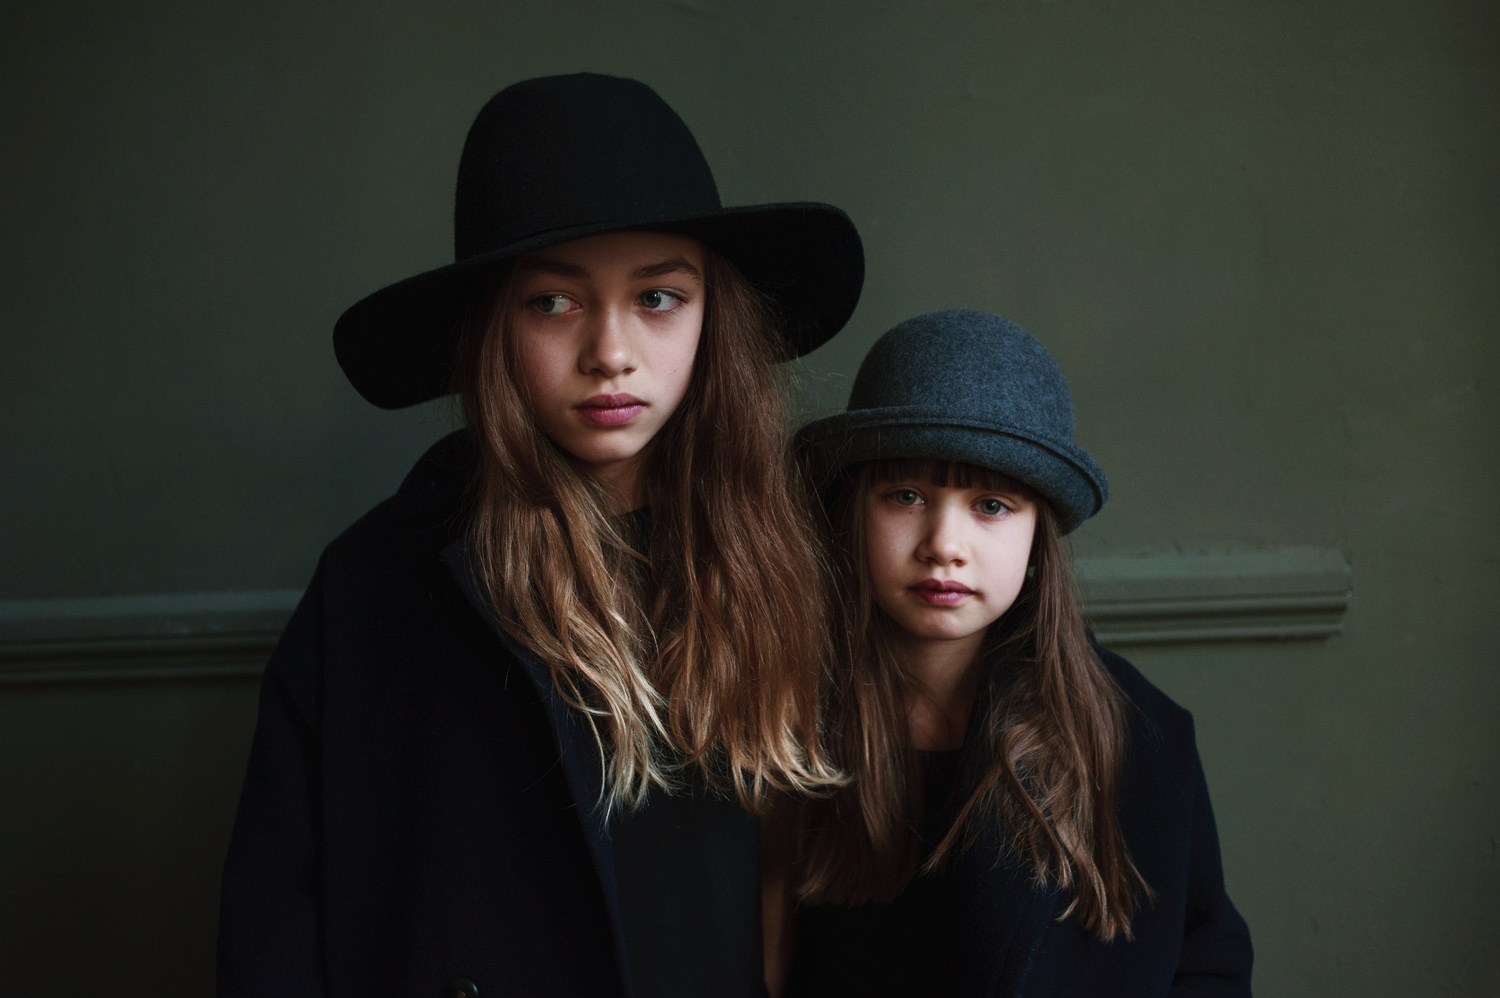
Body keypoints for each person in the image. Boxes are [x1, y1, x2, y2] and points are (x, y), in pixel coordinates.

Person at [217, 73, 864, 998]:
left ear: (714, 315)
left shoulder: (788, 564)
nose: (611, 353)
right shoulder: (377, 589)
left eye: (659, 297)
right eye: (553, 303)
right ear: (492, 322)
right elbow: (276, 927)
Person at [783, 310, 1253, 997]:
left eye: (992, 506)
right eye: (906, 496)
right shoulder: (785, 719)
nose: (944, 545)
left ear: (1038, 536)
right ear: (855, 508)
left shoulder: (1135, 735)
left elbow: (1206, 965)